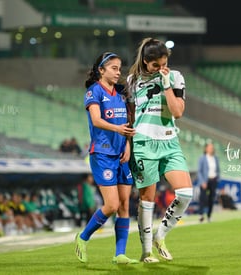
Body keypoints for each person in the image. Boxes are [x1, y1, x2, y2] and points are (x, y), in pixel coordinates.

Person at [127, 37, 193, 263]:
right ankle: (146, 253)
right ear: (146, 62)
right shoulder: (132, 81)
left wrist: (165, 83)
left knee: (185, 193)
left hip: (170, 142)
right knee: (147, 199)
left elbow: (177, 113)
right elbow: (131, 116)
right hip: (144, 143)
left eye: (164, 63)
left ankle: (160, 235)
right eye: (156, 65)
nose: (161, 68)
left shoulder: (175, 77)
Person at [74, 51, 138, 265]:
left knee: (124, 206)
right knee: (111, 205)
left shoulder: (121, 93)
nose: (118, 72)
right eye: (113, 68)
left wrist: (127, 143)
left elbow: (127, 124)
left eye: (119, 68)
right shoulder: (94, 92)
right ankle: (82, 238)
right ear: (101, 70)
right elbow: (97, 120)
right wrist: (118, 130)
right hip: (102, 154)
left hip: (121, 154)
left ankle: (119, 254)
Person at [197, 142, 220, 223]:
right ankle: (201, 215)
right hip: (205, 181)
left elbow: (218, 170)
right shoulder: (202, 158)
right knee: (202, 198)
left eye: (212, 148)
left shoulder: (215, 158)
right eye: (210, 147)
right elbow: (199, 171)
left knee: (211, 199)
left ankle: (209, 216)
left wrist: (217, 179)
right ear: (206, 149)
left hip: (213, 180)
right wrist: (202, 181)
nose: (211, 149)